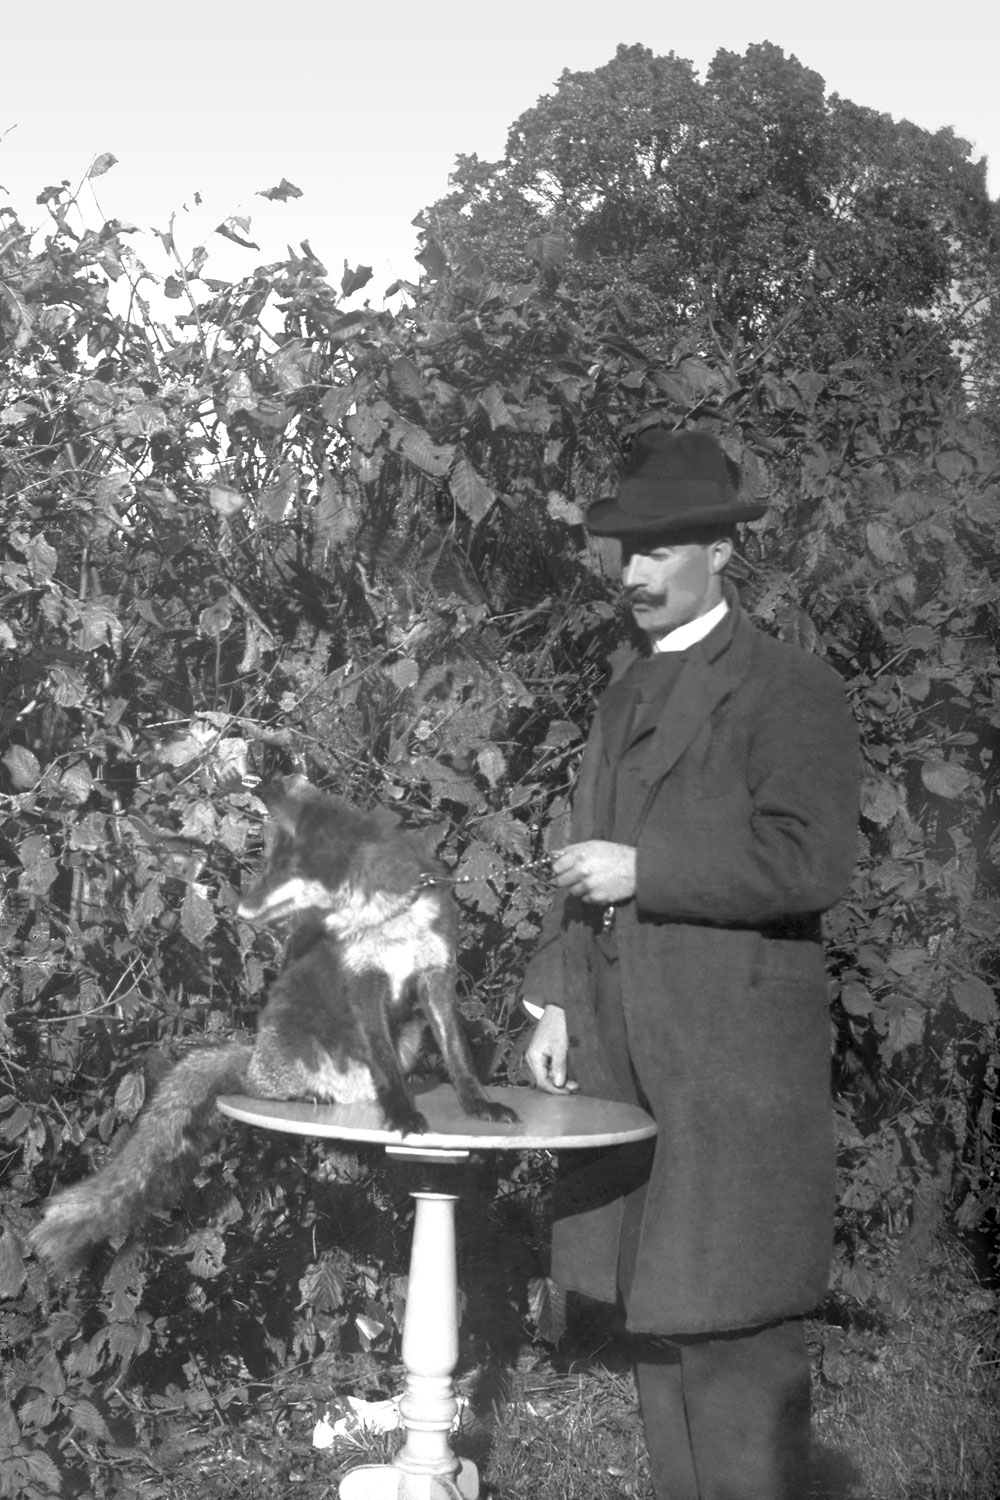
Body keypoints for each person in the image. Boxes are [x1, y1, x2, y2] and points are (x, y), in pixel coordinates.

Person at [523, 426, 860, 1500]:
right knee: (655, 1321)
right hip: (628, 1053)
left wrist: (648, 867)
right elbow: (581, 864)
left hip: (730, 1063)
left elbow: (809, 861)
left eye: (658, 549)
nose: (633, 573)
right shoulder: (622, 692)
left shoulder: (791, 687)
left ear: (719, 549)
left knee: (734, 1331)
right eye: (623, 551)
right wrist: (551, 999)